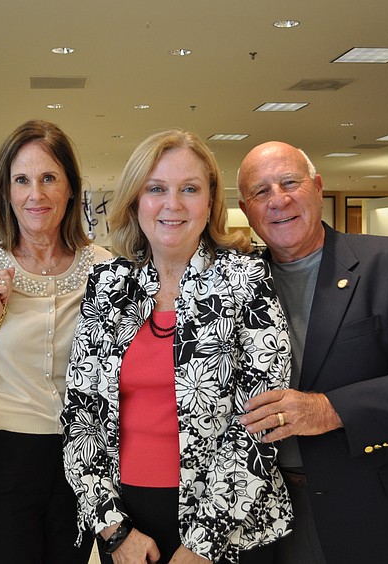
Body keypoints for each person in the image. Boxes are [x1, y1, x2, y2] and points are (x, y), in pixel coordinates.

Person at [62, 130, 292, 564]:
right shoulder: (109, 285)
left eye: (189, 189)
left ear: (210, 203)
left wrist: (203, 543)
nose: (173, 204)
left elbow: (261, 424)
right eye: (156, 189)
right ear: (135, 201)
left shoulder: (247, 282)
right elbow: (80, 414)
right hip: (129, 519)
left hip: (230, 521)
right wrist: (113, 527)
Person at [236, 141, 388, 564]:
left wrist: (328, 409)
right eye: (261, 191)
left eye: (290, 182)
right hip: (270, 515)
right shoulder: (238, 282)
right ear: (246, 208)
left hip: (378, 508)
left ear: (318, 187)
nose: (278, 200)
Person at [0, 119, 110, 564]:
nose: (37, 194)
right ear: (6, 192)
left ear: (71, 188)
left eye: (50, 178)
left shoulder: (105, 269)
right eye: (22, 180)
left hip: (81, 459)